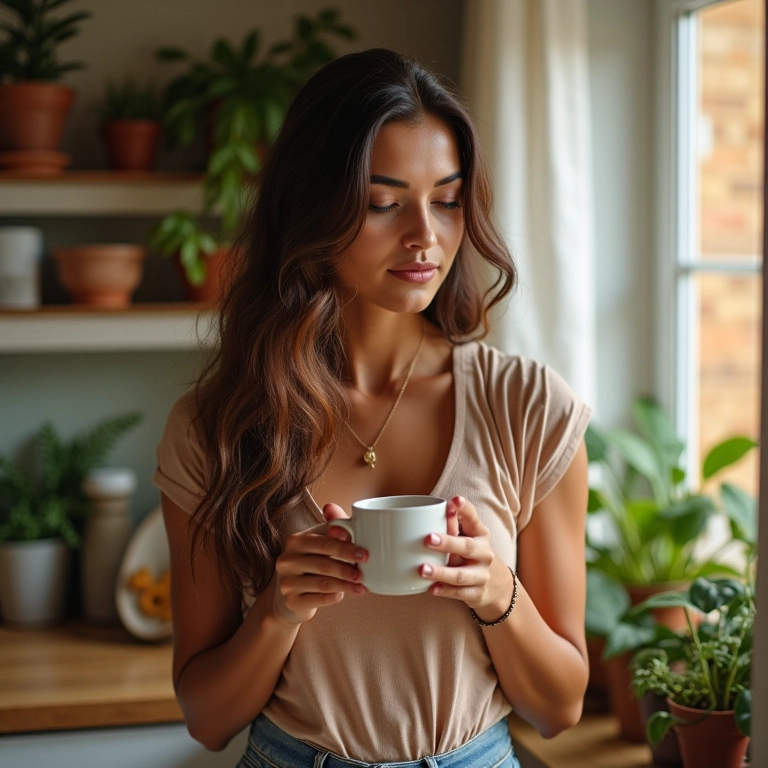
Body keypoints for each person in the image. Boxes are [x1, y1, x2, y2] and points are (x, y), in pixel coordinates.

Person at [154, 48, 592, 768]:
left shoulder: (530, 409)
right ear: (313, 208)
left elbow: (559, 708)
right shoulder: (216, 427)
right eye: (384, 203)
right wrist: (279, 608)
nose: (426, 235)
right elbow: (207, 718)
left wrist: (497, 593)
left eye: (447, 199)